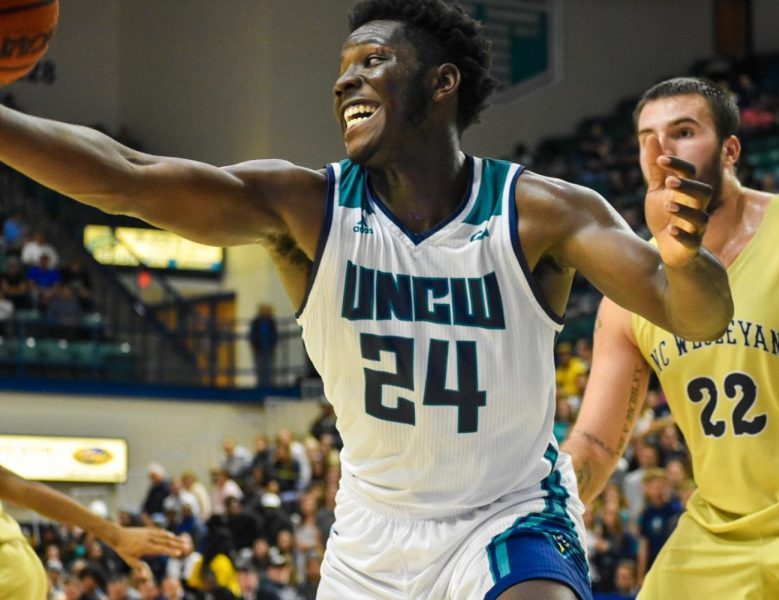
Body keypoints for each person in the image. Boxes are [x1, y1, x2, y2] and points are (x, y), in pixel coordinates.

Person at [0, 2, 733, 597]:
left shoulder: (541, 211)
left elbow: (696, 314)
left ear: (442, 83)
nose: (346, 82)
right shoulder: (305, 208)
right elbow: (128, 175)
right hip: (371, 536)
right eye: (341, 70)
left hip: (508, 519)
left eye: (372, 61)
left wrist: (686, 259)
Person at [562, 77, 779, 599]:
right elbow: (599, 442)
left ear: (730, 150)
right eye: (647, 138)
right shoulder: (630, 291)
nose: (663, 151)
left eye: (683, 131)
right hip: (722, 523)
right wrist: (552, 507)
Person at [0, 464, 184, 599]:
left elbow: (20, 489)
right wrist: (116, 535)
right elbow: (22, 490)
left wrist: (116, 535)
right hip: (16, 565)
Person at [248, 303, 279, 387]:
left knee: (269, 368)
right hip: (259, 349)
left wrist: (273, 346)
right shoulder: (256, 322)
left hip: (268, 349)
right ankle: (260, 384)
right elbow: (252, 336)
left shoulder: (271, 322)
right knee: (260, 368)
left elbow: (275, 335)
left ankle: (269, 384)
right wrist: (254, 347)